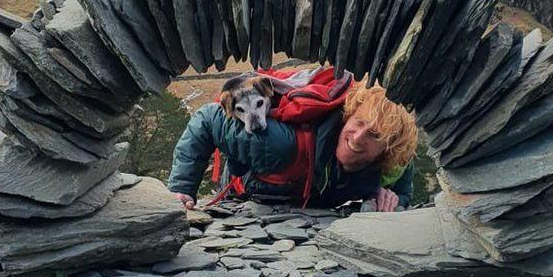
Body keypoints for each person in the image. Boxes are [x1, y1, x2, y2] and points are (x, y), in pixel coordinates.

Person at [167, 80, 418, 211]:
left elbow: (404, 177)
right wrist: (181, 190)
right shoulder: (277, 144)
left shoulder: (391, 167)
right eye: (358, 122)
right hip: (247, 183)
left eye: (373, 134)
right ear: (348, 115)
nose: (357, 136)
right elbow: (209, 118)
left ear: (388, 148)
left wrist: (395, 197)